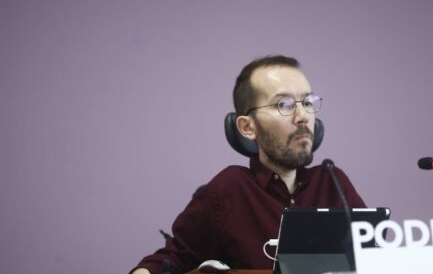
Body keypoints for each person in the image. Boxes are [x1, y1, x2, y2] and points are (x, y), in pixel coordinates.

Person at [131, 55, 365, 274]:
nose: (302, 115)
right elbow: (169, 260)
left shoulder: (334, 183)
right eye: (284, 104)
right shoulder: (229, 189)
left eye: (307, 101)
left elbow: (376, 258)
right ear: (247, 127)